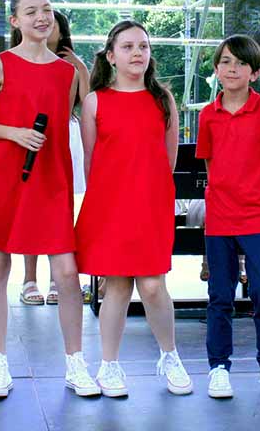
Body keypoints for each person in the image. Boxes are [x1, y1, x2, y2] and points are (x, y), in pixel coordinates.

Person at [0, 0, 99, 399]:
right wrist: (15, 133)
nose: (41, 17)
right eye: (31, 11)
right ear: (15, 20)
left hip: (50, 180)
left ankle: (76, 363)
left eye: (47, 9)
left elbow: (80, 119)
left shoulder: (67, 72)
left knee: (67, 272)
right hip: (0, 176)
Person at [75, 21, 193, 398]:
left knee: (154, 286)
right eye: (127, 47)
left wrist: (151, 192)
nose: (137, 53)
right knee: (117, 286)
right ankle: (108, 364)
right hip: (109, 206)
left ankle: (170, 356)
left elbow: (168, 158)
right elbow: (91, 161)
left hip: (150, 203)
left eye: (143, 46)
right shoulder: (95, 101)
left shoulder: (163, 99)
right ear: (111, 56)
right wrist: (107, 200)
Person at [196, 34, 260, 401]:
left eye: (240, 63)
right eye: (225, 61)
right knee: (219, 294)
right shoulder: (208, 115)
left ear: (254, 73)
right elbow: (210, 163)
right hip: (220, 218)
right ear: (217, 69)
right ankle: (218, 368)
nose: (232, 68)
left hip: (256, 217)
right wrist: (222, 197)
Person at [14, 11, 90, 307]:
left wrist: (80, 68)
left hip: (62, 136)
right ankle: (29, 278)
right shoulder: (16, 60)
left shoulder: (68, 65)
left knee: (59, 208)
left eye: (52, 22)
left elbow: (87, 103)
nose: (44, 24)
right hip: (29, 137)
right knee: (30, 208)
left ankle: (57, 278)